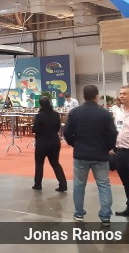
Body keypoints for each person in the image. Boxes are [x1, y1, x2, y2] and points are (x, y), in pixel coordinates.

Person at [64, 85, 118, 226]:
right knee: (104, 185)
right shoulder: (105, 113)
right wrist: (107, 147)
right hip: (100, 155)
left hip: (81, 154)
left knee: (79, 185)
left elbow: (67, 132)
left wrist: (75, 144)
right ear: (96, 96)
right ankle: (106, 216)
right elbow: (112, 133)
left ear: (83, 96)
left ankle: (79, 213)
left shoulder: (75, 112)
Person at [31, 96, 67, 192]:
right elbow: (58, 127)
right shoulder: (56, 114)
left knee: (39, 164)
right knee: (55, 163)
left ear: (41, 104)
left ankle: (38, 184)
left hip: (42, 142)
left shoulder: (39, 116)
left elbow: (34, 129)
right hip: (54, 141)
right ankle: (63, 184)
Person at [112, 85, 129, 216]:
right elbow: (117, 130)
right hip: (120, 153)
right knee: (126, 182)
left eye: (124, 94)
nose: (121, 96)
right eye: (120, 93)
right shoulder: (119, 112)